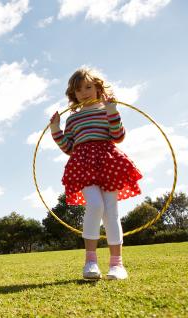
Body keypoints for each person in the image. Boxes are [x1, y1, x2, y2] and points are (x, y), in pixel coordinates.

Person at [49, 67, 142, 280]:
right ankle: (90, 262)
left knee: (111, 211)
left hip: (108, 162)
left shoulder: (106, 110)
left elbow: (118, 136)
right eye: (79, 90)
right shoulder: (73, 119)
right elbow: (68, 147)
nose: (84, 92)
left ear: (98, 88)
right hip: (83, 163)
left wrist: (112, 111)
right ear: (74, 95)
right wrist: (56, 128)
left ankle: (117, 264)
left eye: (88, 87)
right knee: (95, 204)